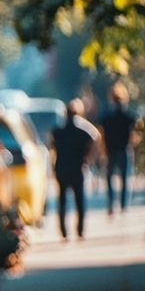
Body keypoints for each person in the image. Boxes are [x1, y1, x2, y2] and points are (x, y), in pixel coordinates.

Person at [51, 99, 99, 241]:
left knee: (62, 201)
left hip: (61, 168)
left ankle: (64, 232)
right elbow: (96, 136)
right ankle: (80, 231)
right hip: (78, 168)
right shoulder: (83, 130)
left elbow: (51, 146)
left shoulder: (57, 131)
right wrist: (89, 157)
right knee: (80, 200)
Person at [100, 81, 138, 213]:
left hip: (110, 149)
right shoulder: (128, 114)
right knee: (125, 178)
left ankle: (111, 202)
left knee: (109, 177)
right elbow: (136, 129)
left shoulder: (107, 115)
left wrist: (103, 149)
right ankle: (123, 205)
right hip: (124, 149)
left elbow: (102, 133)